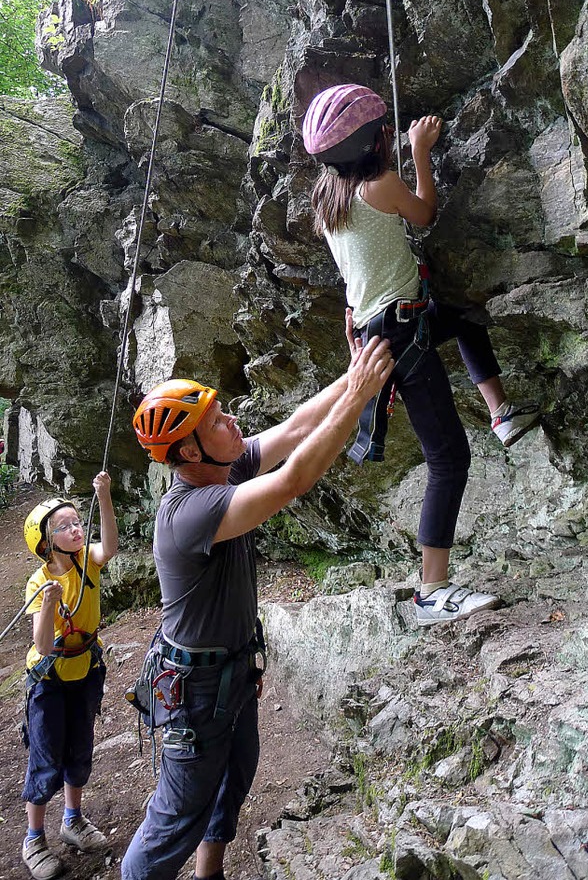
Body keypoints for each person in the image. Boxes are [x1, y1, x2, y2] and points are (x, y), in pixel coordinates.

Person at [122, 332, 393, 880]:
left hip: (231, 670)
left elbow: (295, 429)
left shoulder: (224, 467)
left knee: (234, 777)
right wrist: (358, 397)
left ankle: (210, 873)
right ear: (191, 451)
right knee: (176, 817)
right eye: (218, 420)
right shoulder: (191, 510)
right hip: (194, 693)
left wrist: (354, 375)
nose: (233, 421)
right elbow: (294, 479)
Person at [302, 83, 540, 626]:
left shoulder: (327, 196)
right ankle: (432, 590)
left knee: (462, 318)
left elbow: (355, 260)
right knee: (449, 457)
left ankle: (501, 413)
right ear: (378, 142)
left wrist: (353, 309)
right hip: (398, 333)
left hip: (379, 322)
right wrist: (421, 153)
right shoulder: (381, 185)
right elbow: (425, 213)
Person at [21, 471, 118, 880]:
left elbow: (109, 545)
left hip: (85, 669)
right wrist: (48, 605)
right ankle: (33, 838)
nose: (77, 529)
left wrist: (105, 496)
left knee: (80, 749)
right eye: (65, 527)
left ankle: (73, 820)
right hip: (48, 679)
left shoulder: (86, 562)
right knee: (46, 757)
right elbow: (42, 645)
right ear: (46, 543)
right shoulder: (39, 583)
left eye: (78, 522)